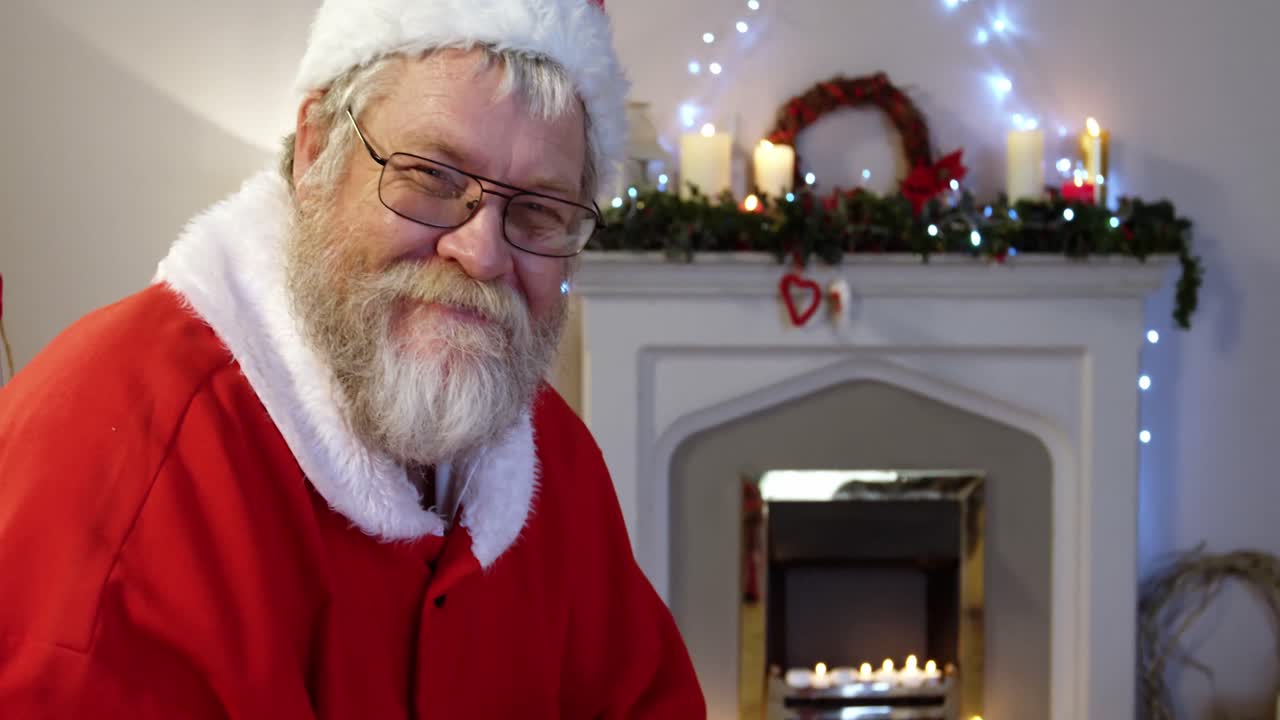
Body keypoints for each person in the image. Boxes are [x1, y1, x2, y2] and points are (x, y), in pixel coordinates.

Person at [0, 0, 706, 716]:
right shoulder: (118, 452)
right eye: (432, 177)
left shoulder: (551, 456)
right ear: (314, 153)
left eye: (538, 211)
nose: (483, 254)